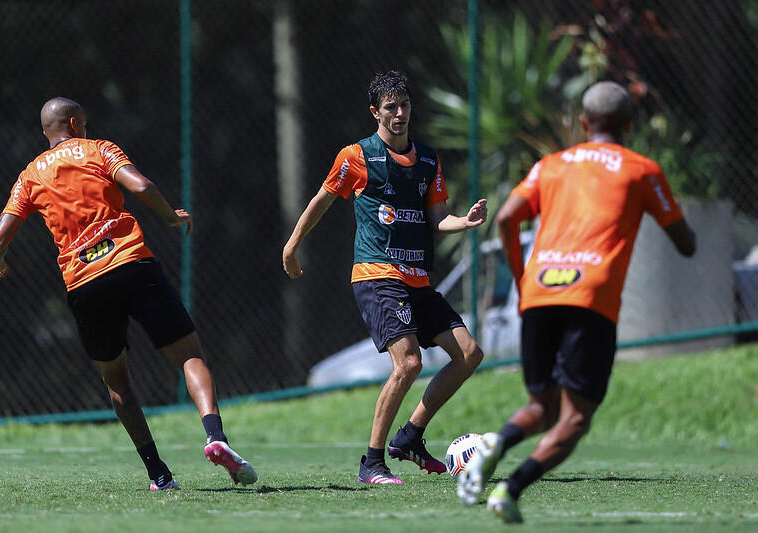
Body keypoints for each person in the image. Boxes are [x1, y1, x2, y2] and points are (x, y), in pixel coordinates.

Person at [0, 97, 258, 491]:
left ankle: (158, 473)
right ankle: (215, 437)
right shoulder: (99, 149)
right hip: (132, 262)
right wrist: (171, 217)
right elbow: (140, 185)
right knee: (189, 353)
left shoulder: (30, 175)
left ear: (46, 132)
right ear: (75, 123)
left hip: (84, 282)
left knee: (117, 381)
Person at [456, 81, 696, 521]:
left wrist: (523, 277)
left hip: (540, 292)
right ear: (628, 124)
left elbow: (507, 218)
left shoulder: (550, 165)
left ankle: (496, 443)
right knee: (574, 419)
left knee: (539, 408)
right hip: (591, 297)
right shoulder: (642, 169)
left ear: (584, 123)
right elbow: (685, 244)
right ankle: (510, 488)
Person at [282, 70, 488, 484]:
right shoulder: (357, 156)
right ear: (375, 112)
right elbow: (322, 200)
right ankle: (372, 463)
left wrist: (464, 222)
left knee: (469, 354)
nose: (399, 113)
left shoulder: (428, 160)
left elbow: (435, 219)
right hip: (377, 274)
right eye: (390, 107)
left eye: (404, 105)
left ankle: (410, 436)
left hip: (417, 279)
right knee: (408, 362)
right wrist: (292, 244)